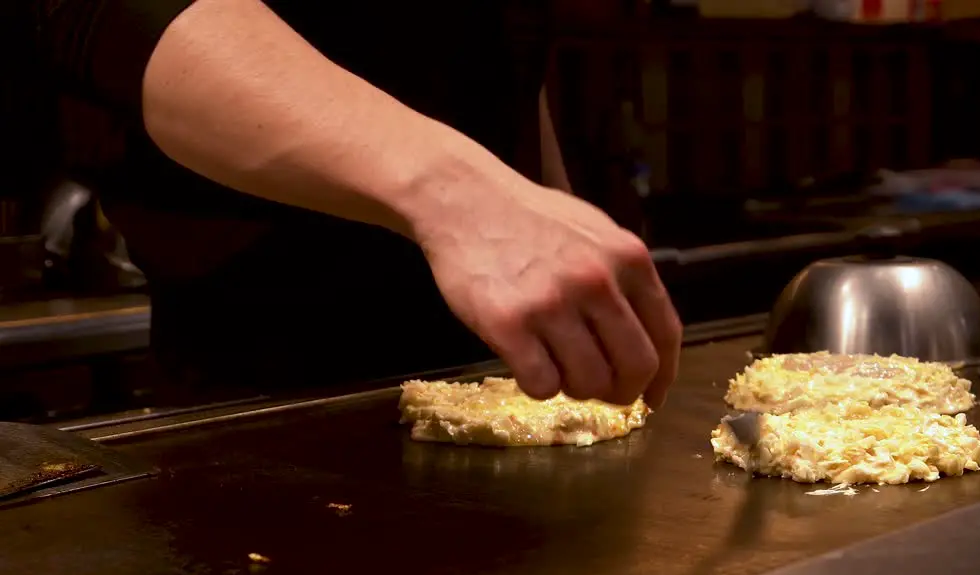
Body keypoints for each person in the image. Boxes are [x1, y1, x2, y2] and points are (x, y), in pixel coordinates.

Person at [20, 0, 682, 407]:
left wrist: (545, 211)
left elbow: (497, 58)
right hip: (269, 387)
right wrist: (458, 195)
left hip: (503, 371)